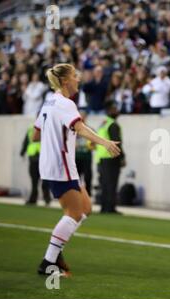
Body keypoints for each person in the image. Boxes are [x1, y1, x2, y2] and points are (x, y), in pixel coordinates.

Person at [36, 63, 121, 276]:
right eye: (75, 76)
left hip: (58, 164)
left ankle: (56, 252)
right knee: (74, 213)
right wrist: (106, 143)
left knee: (86, 208)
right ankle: (48, 262)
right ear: (65, 81)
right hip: (61, 165)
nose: (78, 79)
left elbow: (36, 134)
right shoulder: (65, 103)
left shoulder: (49, 102)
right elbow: (80, 128)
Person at [96, 102, 126, 213]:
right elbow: (117, 143)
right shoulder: (113, 124)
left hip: (101, 158)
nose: (117, 111)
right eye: (115, 109)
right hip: (111, 158)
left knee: (104, 184)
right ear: (109, 110)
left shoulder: (103, 123)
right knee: (111, 184)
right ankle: (110, 208)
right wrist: (122, 157)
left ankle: (104, 207)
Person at [20, 123, 51, 206]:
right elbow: (26, 141)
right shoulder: (31, 129)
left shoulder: (48, 128)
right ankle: (33, 199)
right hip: (33, 157)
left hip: (44, 158)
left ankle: (47, 198)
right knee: (34, 180)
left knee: (45, 181)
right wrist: (22, 152)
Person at [75, 111, 94, 196]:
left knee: (88, 177)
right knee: (76, 178)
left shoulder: (90, 130)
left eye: (83, 117)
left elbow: (95, 144)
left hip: (87, 157)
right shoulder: (73, 130)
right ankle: (76, 195)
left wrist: (92, 145)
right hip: (77, 157)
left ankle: (88, 195)